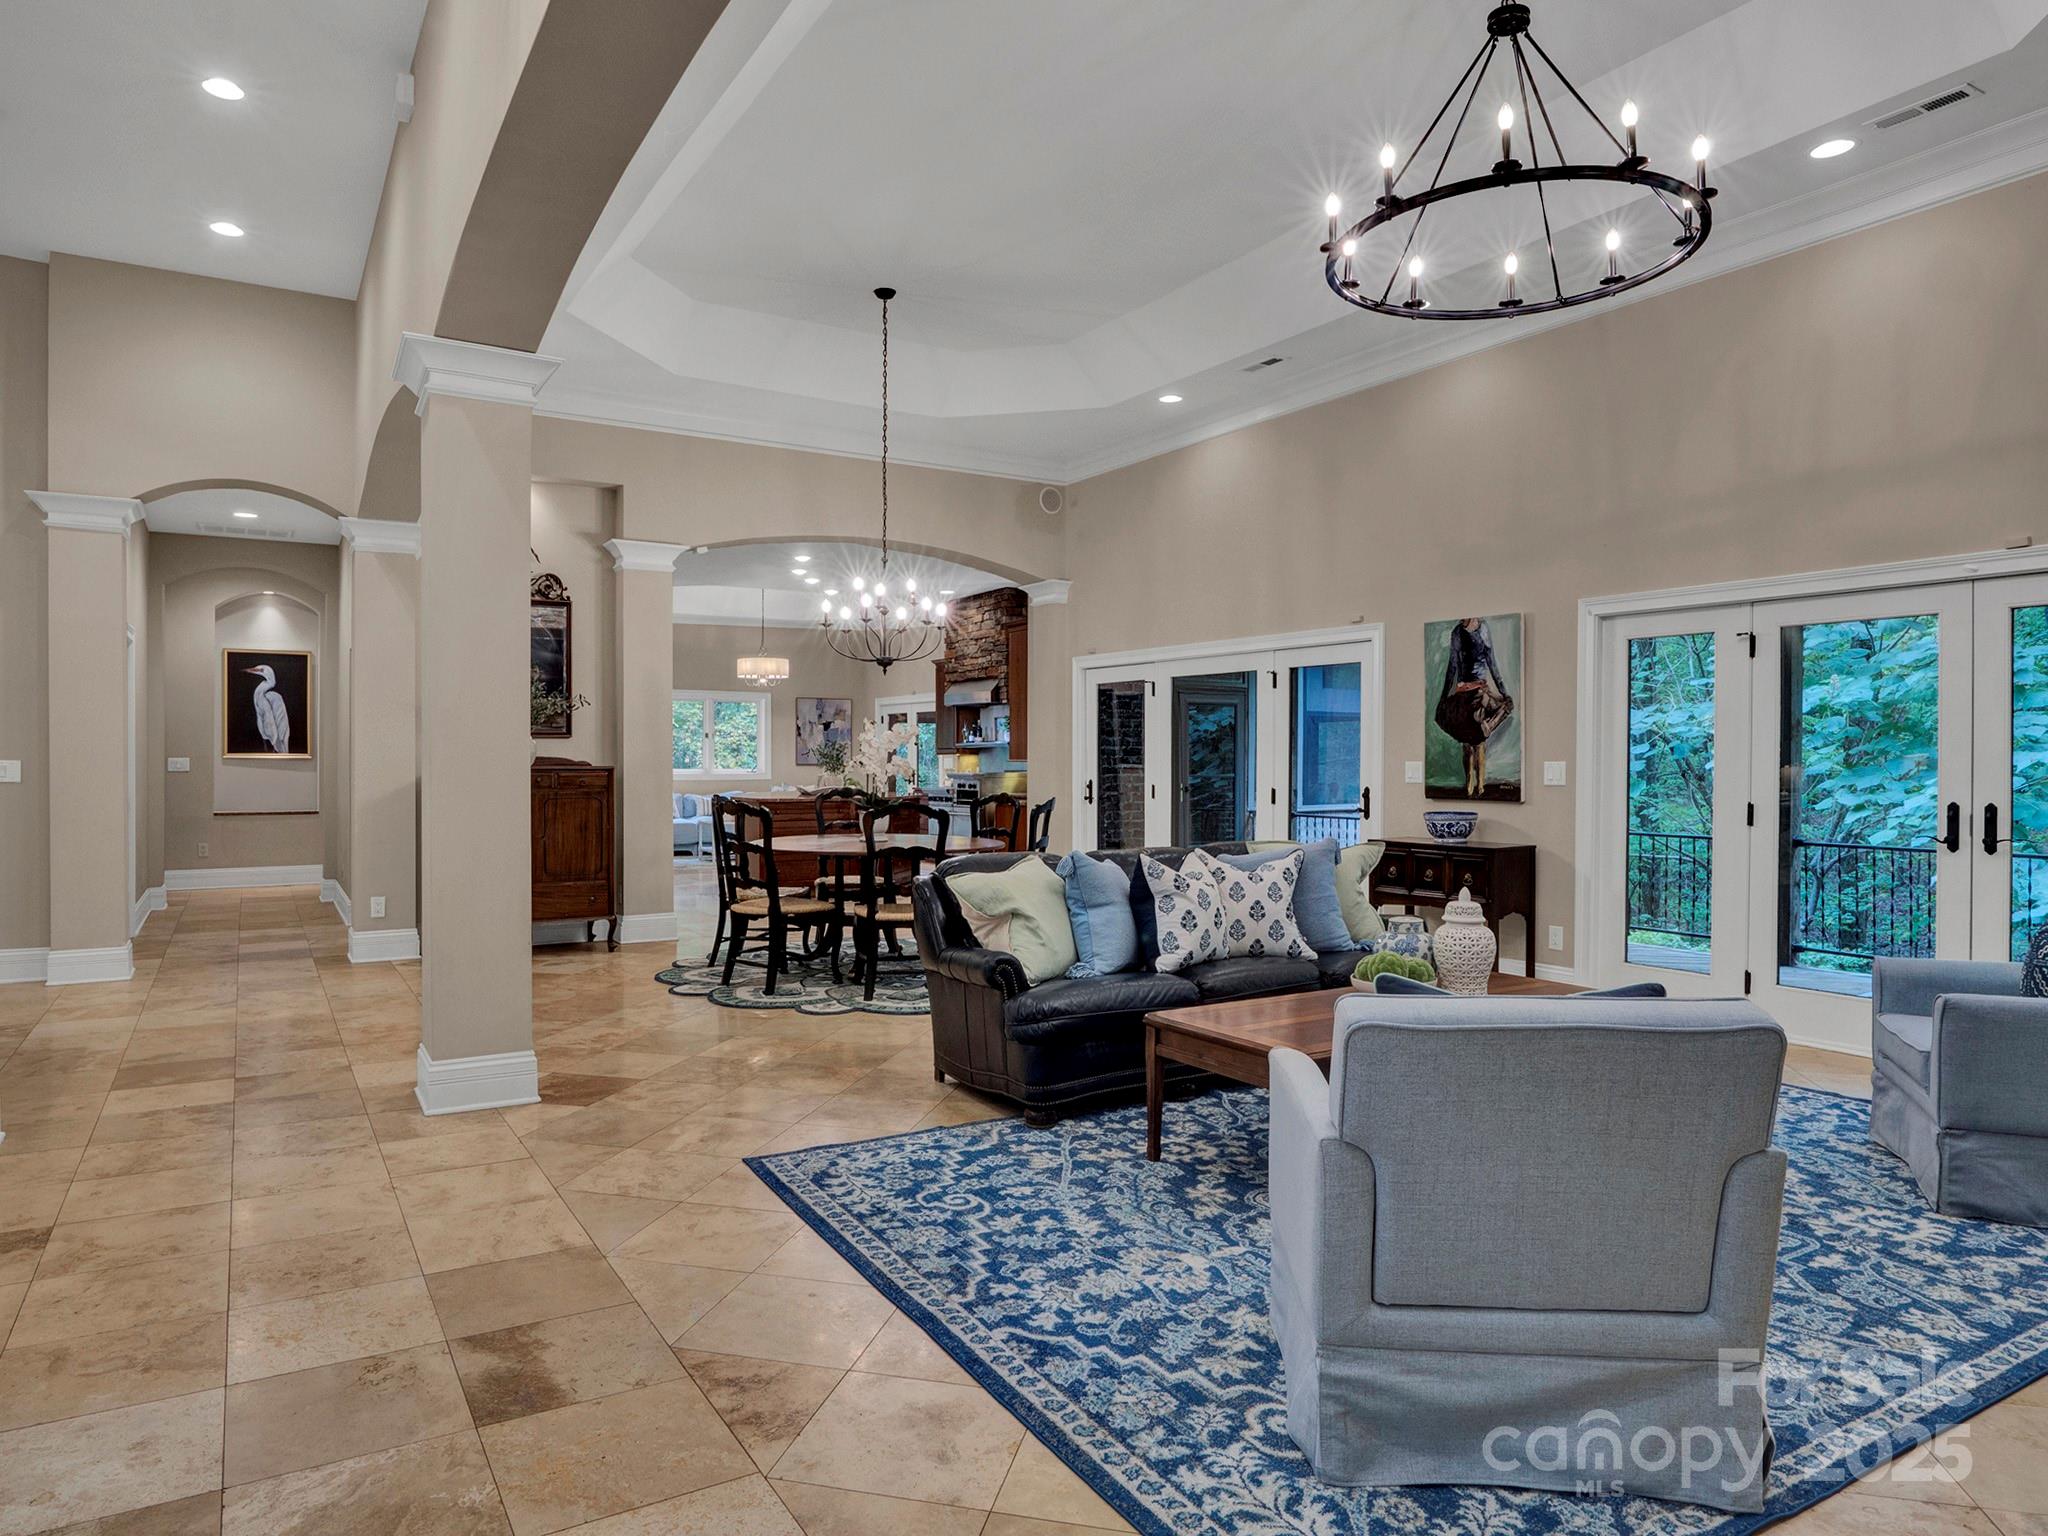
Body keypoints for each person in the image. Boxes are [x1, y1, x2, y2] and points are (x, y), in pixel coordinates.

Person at [1434, 617, 1514, 797]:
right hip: (1466, 695)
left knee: (1475, 742)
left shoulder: (1480, 628)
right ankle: (1473, 786)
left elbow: (1488, 663)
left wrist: (1502, 691)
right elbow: (1454, 666)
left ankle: (1477, 786)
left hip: (1476, 693)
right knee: (1470, 743)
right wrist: (1443, 697)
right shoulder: (1459, 631)